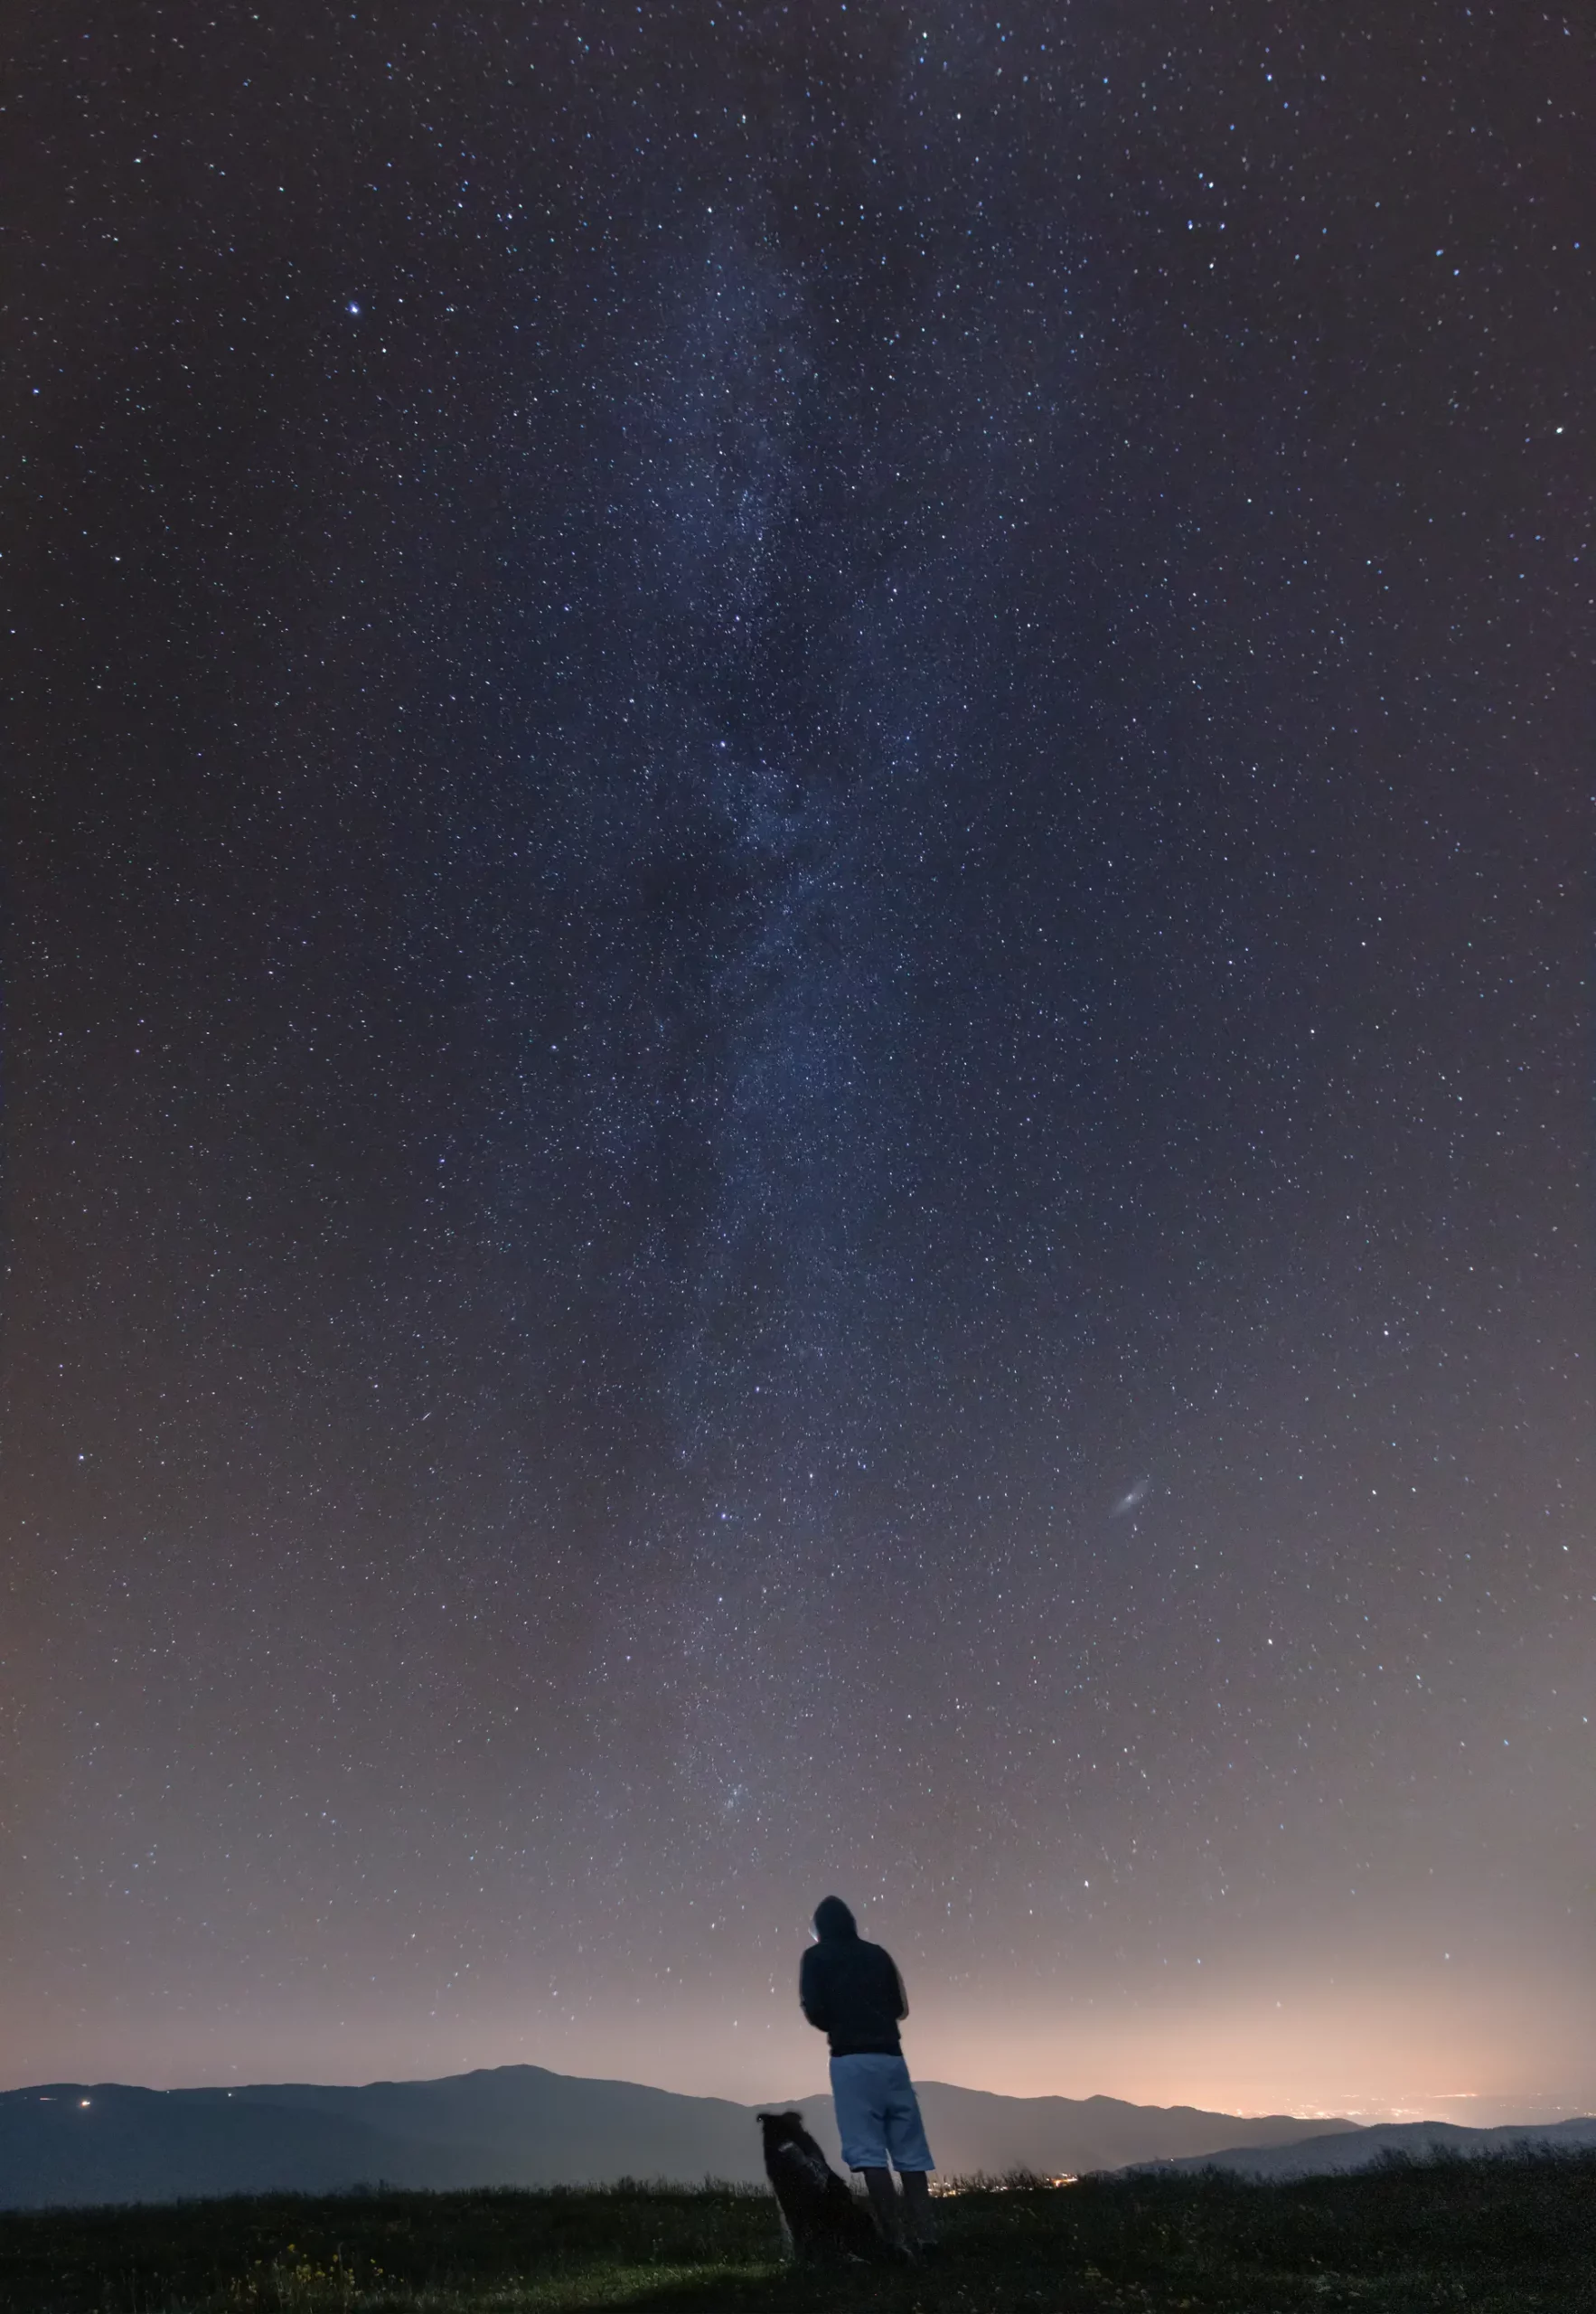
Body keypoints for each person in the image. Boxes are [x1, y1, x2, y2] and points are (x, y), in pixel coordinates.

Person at [798, 1895, 937, 2251]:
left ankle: (895, 2242)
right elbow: (898, 2006)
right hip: (892, 2058)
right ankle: (926, 2237)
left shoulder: (815, 1958)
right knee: (911, 2154)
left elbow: (815, 2011)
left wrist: (839, 2019)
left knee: (869, 2154)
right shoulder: (878, 1954)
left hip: (850, 2061)